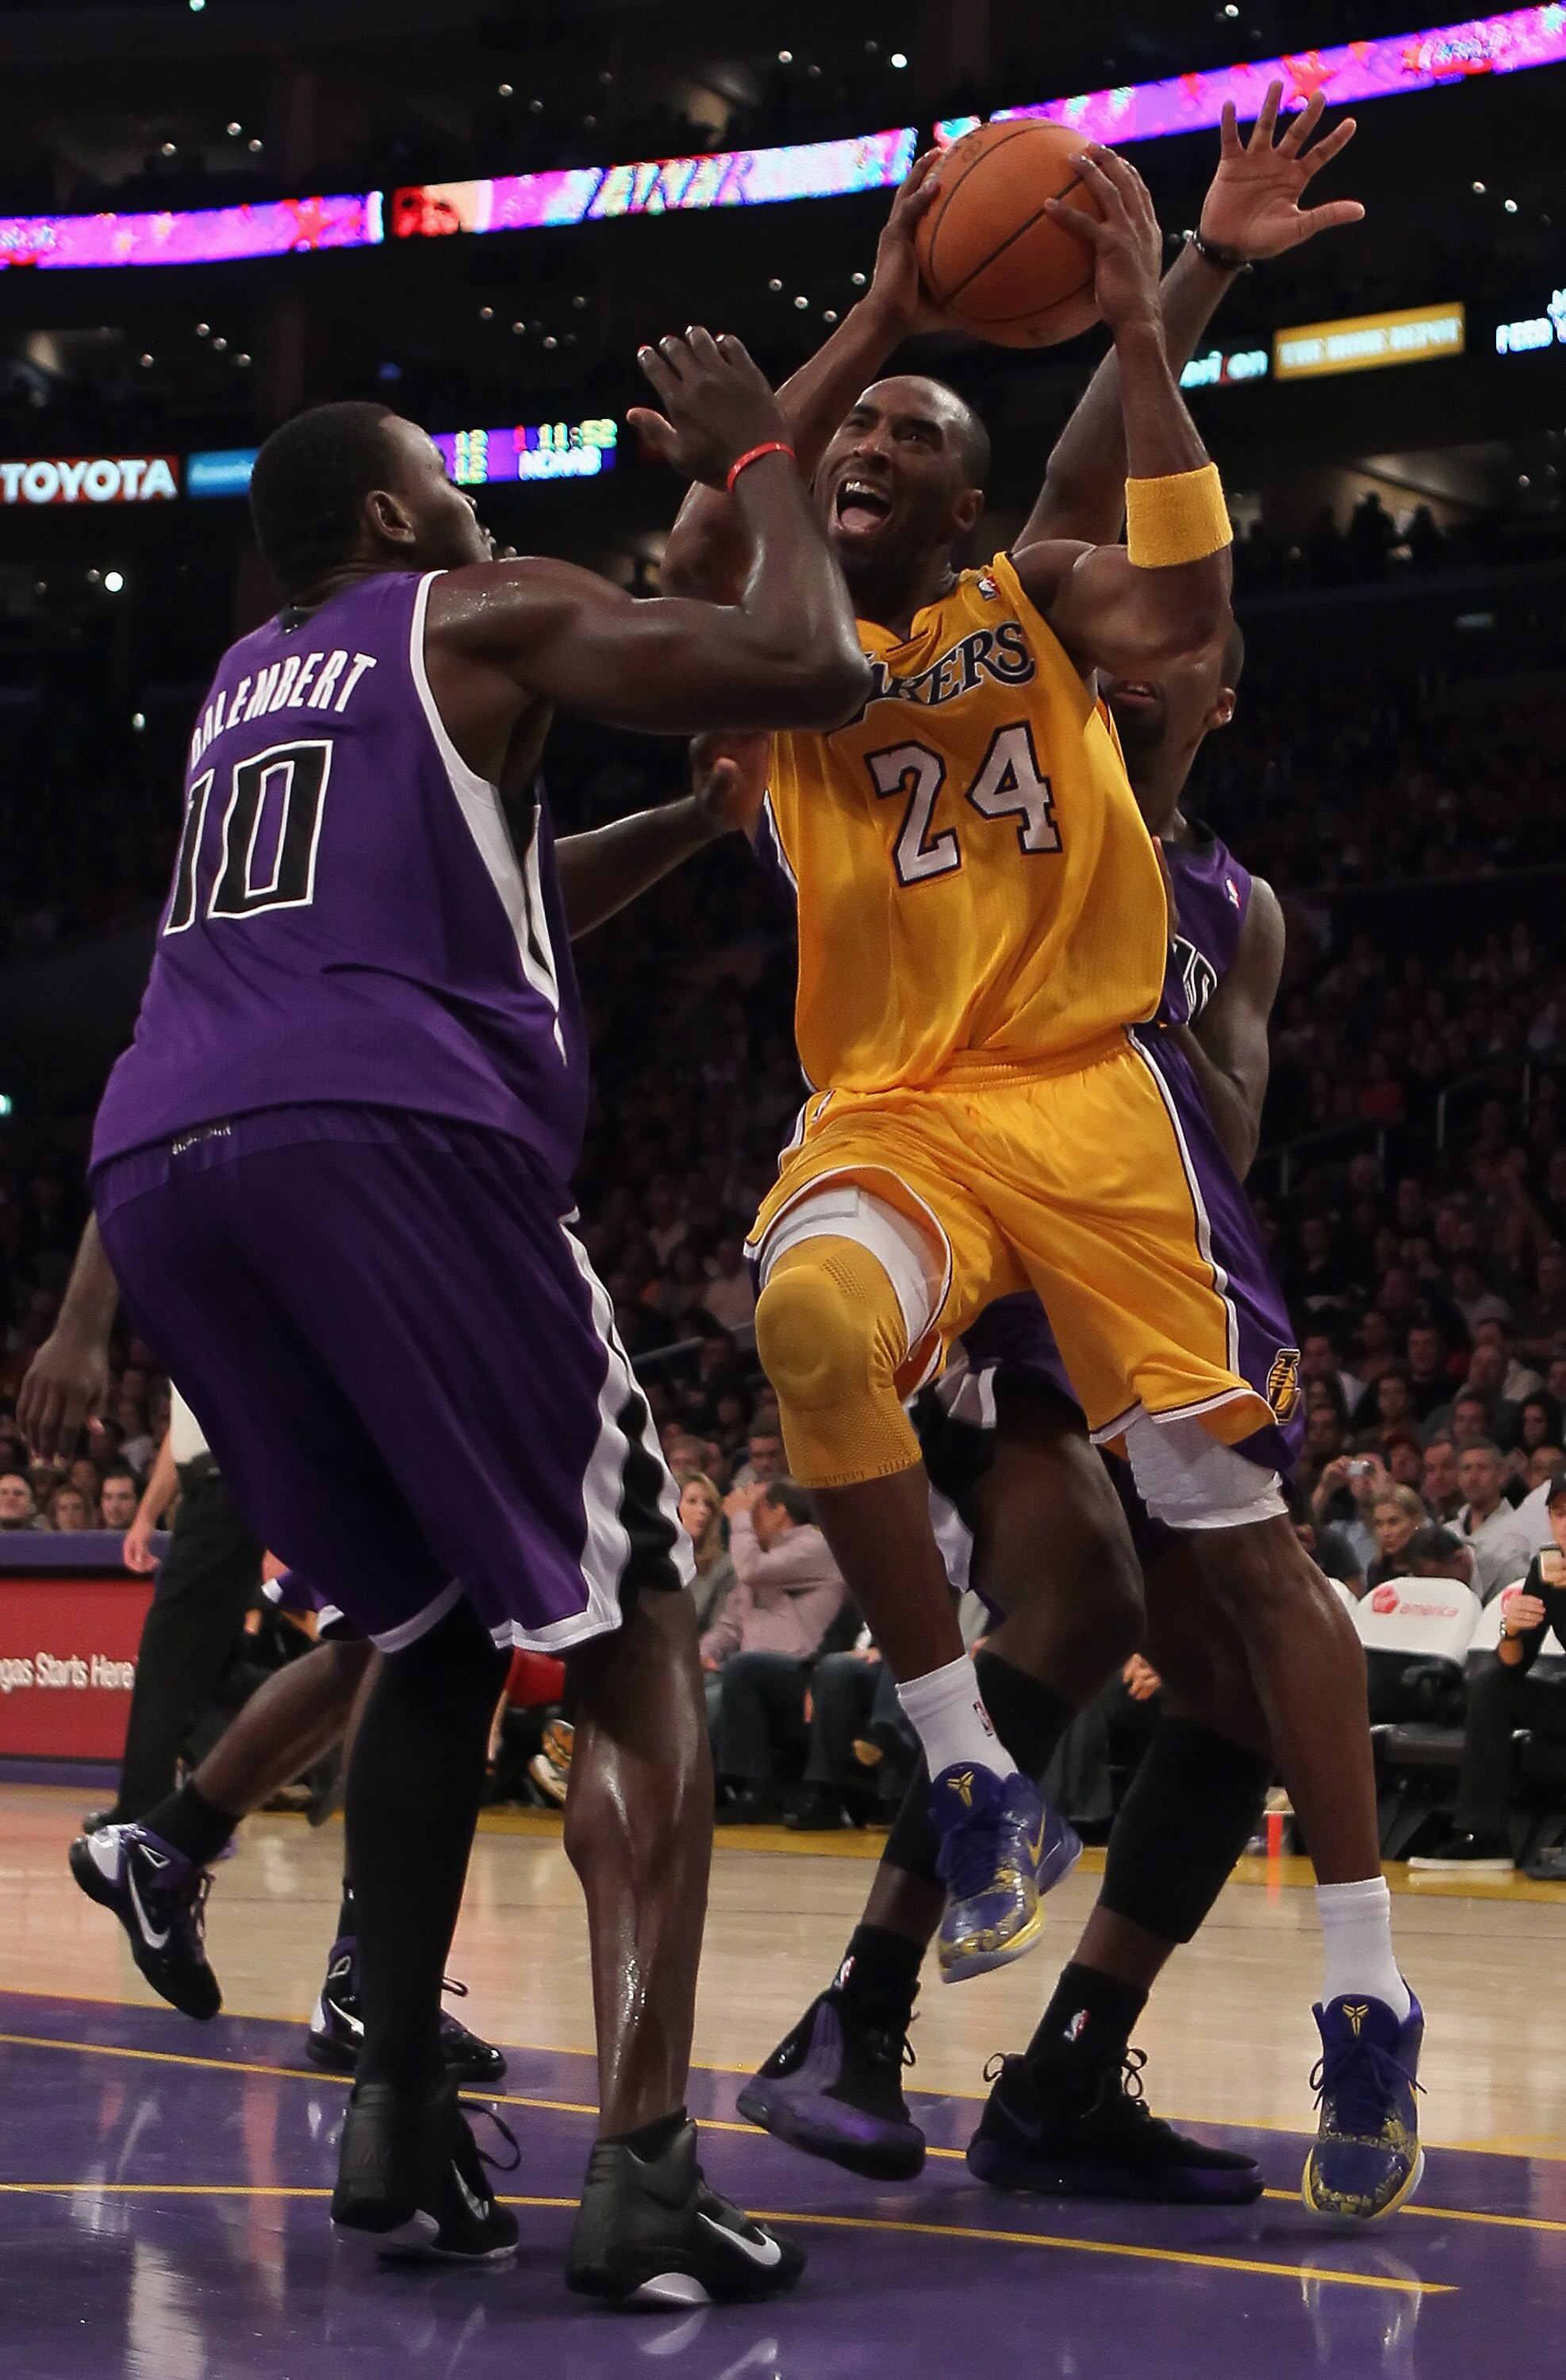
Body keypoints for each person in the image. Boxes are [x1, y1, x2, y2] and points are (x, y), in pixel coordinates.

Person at [58, 344, 869, 2298]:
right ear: (387, 515)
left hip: (166, 1172)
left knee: (424, 1626)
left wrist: (683, 830)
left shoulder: (242, 690)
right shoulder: (470, 609)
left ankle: (400, 2107)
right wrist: (767, 447)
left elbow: (466, 892)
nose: (477, 508)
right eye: (447, 482)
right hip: (388, 1140)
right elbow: (814, 660)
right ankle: (647, 2164)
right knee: (638, 1608)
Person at [674, 95, 1418, 2224]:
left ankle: (1115, 2043)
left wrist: (1166, 304)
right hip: (933, 1163)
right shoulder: (858, 634)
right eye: (856, 435)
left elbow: (1146, 565)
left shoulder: (1214, 882)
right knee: (1074, 1573)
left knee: (1237, 1636)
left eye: (913, 433)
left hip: (1112, 1189)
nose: (873, 439)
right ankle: (877, 1986)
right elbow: (1016, 480)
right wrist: (1126, 281)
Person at [1410, 1471, 1566, 1872]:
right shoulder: (1548, 1567)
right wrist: (1511, 1630)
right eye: (1559, 1513)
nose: (1565, 1525)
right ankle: (1483, 1837)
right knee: (1492, 1685)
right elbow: (1515, 1662)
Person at [703, 1480, 848, 1820]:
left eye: (753, 1511)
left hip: (804, 1669)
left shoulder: (814, 1546)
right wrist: (702, 1654)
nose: (744, 1519)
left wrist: (740, 1519)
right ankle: (702, 1792)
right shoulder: (756, 1554)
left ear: (779, 1511)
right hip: (749, 1672)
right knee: (694, 1688)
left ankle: (756, 1790)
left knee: (728, 1684)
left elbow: (751, 1571)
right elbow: (730, 1626)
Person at [1454, 1441, 1535, 1599]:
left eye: (1482, 1468)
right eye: (1466, 1468)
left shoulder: (1522, 1529)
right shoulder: (1448, 1531)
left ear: (1502, 1475)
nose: (1473, 1477)